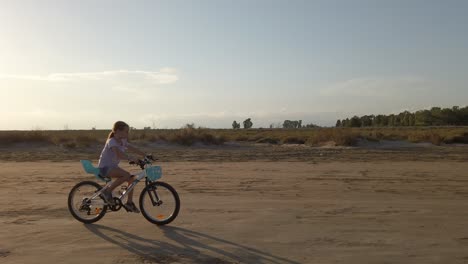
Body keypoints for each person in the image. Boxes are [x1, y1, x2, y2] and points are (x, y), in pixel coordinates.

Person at [98, 121, 147, 213]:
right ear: (118, 131)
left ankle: (129, 203)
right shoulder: (111, 141)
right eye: (126, 131)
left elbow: (132, 148)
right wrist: (130, 158)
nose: (128, 133)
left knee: (131, 178)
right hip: (104, 168)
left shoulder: (122, 141)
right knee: (126, 175)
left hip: (112, 167)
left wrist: (145, 155)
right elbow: (118, 154)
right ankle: (107, 191)